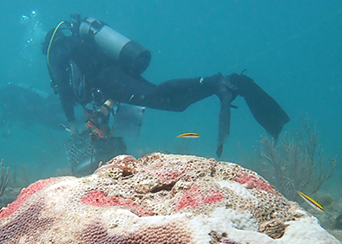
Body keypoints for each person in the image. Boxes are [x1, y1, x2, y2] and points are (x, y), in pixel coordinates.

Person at [42, 14, 290, 173]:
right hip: (114, 77)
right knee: (169, 102)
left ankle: (219, 82)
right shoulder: (79, 47)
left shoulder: (57, 52)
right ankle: (218, 84)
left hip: (112, 77)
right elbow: (97, 80)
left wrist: (72, 125)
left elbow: (65, 89)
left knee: (160, 98)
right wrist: (106, 107)